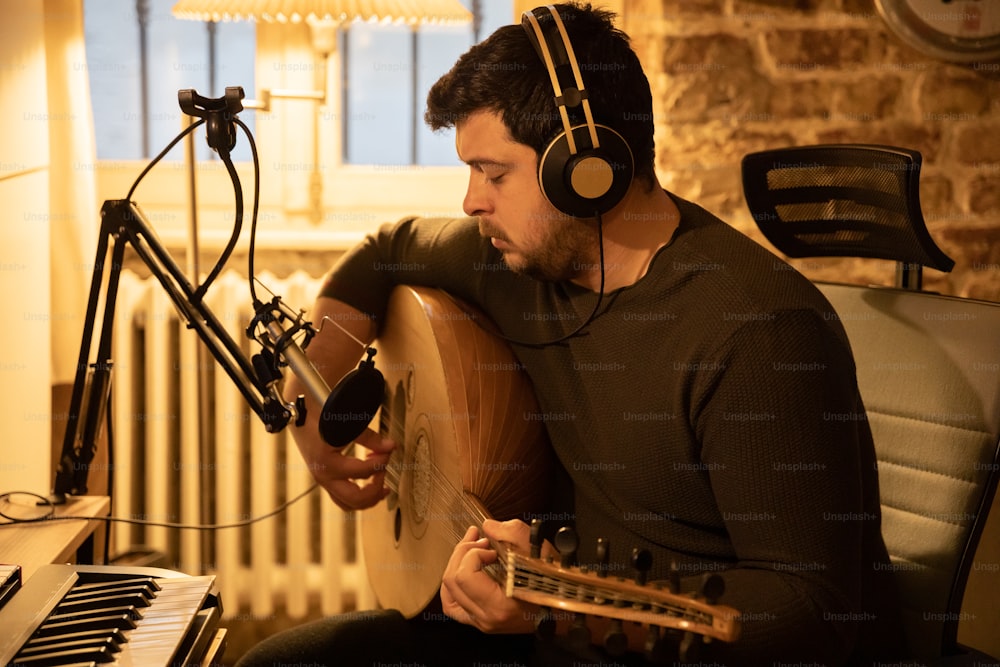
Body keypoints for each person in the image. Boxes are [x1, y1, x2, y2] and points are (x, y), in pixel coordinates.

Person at [236, 3, 906, 665]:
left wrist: (565, 604)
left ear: (588, 169)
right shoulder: (516, 259)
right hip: (544, 637)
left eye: (494, 174)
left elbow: (813, 611)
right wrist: (312, 402)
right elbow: (382, 253)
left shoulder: (758, 332)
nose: (472, 201)